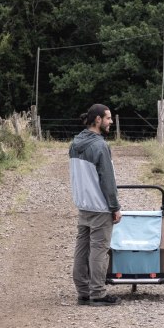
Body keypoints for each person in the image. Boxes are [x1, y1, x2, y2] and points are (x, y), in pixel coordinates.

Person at [69, 103, 121, 306]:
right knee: (99, 249)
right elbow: (107, 180)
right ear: (98, 120)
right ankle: (97, 293)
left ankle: (83, 292)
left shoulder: (74, 144)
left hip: (83, 205)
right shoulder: (99, 146)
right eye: (108, 118)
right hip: (99, 207)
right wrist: (115, 207)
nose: (111, 122)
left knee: (81, 249)